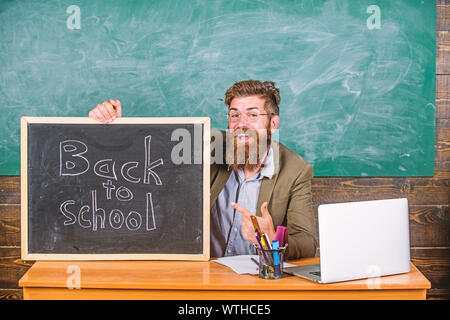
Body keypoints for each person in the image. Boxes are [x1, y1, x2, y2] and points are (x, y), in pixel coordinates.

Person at [88, 80, 318, 259]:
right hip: (202, 272)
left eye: (253, 114)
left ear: (273, 123)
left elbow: (307, 242)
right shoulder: (208, 143)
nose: (241, 123)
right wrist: (115, 126)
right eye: (235, 115)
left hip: (256, 278)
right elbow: (149, 150)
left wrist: (271, 240)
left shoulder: (295, 170)